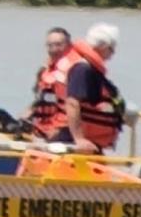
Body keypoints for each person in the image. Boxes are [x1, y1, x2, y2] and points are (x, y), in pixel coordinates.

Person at [33, 22, 125, 154]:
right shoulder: (82, 69)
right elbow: (72, 103)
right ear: (103, 46)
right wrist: (79, 139)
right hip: (72, 138)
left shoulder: (88, 68)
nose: (113, 53)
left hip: (87, 140)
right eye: (112, 48)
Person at [25, 27, 72, 127]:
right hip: (41, 127)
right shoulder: (44, 70)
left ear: (69, 46)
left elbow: (75, 106)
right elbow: (40, 98)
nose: (54, 49)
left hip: (62, 128)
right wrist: (26, 115)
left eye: (59, 45)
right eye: (50, 45)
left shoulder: (76, 71)